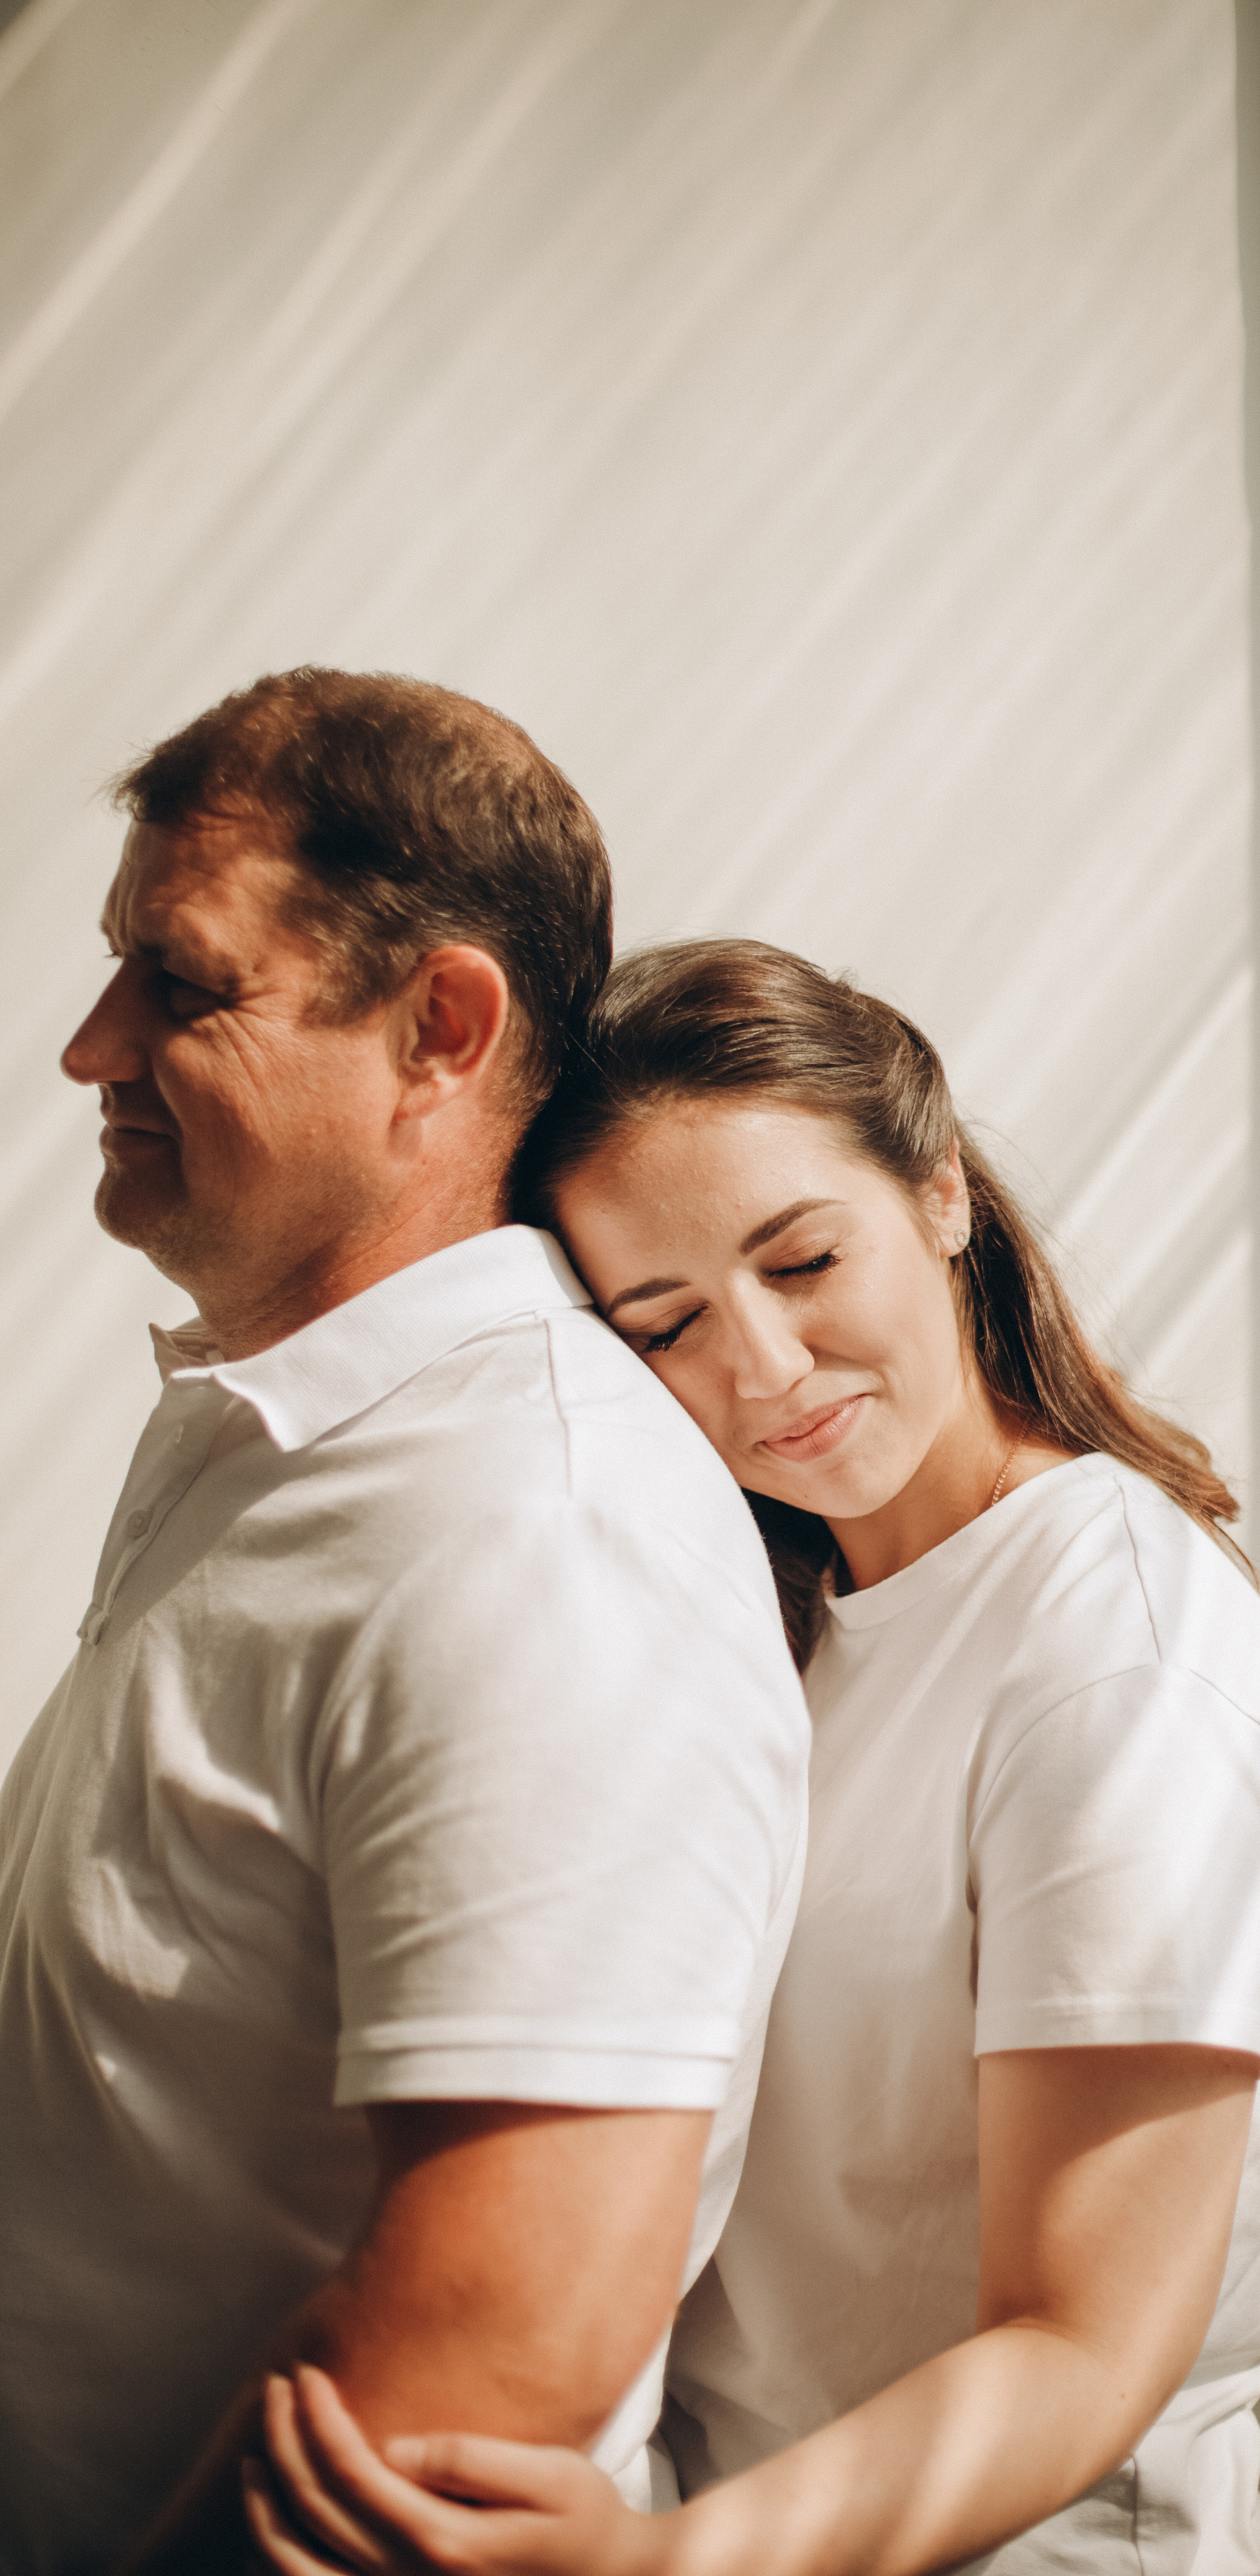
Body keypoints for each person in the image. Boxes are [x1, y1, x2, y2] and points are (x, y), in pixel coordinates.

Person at [252, 938, 1260, 2576]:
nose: (759, 1370)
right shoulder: (774, 1623)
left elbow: (1083, 2347)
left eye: (803, 1261)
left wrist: (661, 2564)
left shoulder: (1123, 1658)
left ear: (943, 1194)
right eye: (666, 1319)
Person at [0, 696, 807, 2574]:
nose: (84, 1047)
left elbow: (493, 2355)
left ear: (439, 1032)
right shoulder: (284, 1428)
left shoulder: (543, 1532)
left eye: (178, 986)